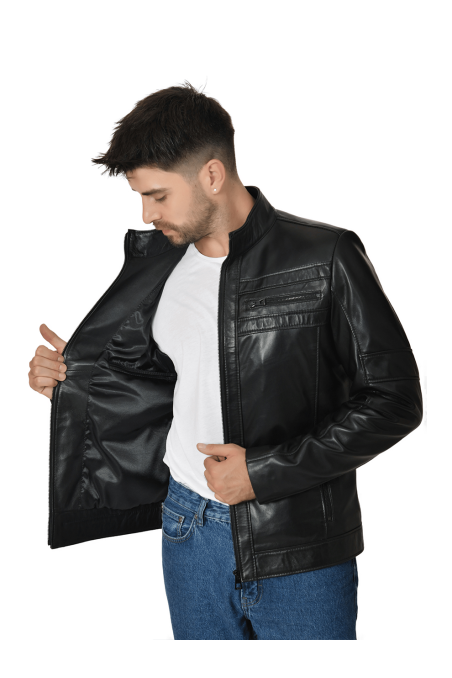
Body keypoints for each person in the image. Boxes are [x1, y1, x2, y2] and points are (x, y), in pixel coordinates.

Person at [28, 81, 423, 640]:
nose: (146, 213)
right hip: (187, 529)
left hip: (299, 545)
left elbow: (395, 400)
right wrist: (76, 382)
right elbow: (164, 383)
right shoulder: (159, 265)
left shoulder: (326, 256)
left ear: (212, 175)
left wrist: (262, 473)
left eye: (159, 196)